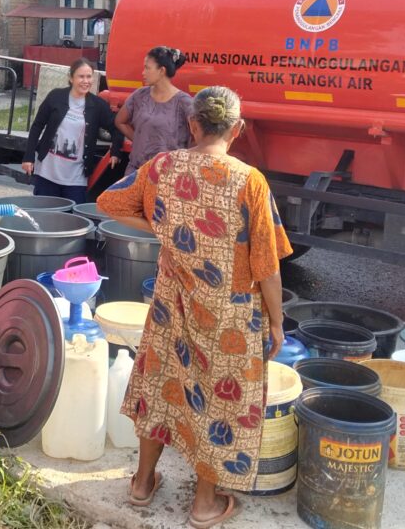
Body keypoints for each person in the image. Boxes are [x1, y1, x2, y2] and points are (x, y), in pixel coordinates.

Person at [98, 86, 291, 529]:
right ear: (237, 129)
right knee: (220, 402)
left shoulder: (162, 166)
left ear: (192, 125)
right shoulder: (249, 181)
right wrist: (277, 323)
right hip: (230, 316)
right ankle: (204, 504)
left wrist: (163, 229)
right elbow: (267, 267)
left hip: (172, 305)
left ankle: (142, 483)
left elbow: (109, 202)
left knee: (161, 386)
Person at [21, 58, 121, 205]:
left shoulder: (97, 105)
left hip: (76, 178)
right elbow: (37, 126)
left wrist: (115, 152)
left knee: (73, 216)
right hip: (47, 172)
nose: (85, 81)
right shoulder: (56, 96)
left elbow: (117, 127)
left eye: (89, 76)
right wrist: (28, 157)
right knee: (45, 213)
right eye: (81, 76)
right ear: (71, 78)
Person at [113, 46, 194, 171]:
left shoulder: (184, 102)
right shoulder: (139, 95)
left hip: (168, 174)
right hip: (137, 170)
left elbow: (199, 135)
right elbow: (120, 121)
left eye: (147, 68)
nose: (143, 72)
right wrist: (140, 141)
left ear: (162, 70)